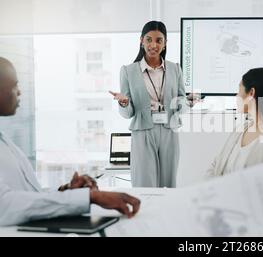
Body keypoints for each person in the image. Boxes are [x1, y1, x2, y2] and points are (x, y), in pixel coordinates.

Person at [0, 57, 141, 226]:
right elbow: (5, 206)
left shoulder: (5, 141)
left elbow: (30, 194)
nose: (20, 92)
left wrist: (67, 191)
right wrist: (89, 197)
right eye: (15, 85)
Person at [109, 21, 195, 188]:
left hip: (169, 130)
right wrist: (124, 103)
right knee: (144, 182)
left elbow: (180, 105)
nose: (153, 45)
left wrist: (188, 102)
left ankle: (167, 213)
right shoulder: (128, 71)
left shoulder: (175, 69)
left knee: (169, 183)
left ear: (165, 43)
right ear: (141, 41)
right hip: (143, 131)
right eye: (148, 40)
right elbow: (128, 113)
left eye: (158, 40)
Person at [205, 68, 263, 178]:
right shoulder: (241, 129)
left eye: (239, 90)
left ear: (251, 93)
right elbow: (215, 166)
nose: (236, 96)